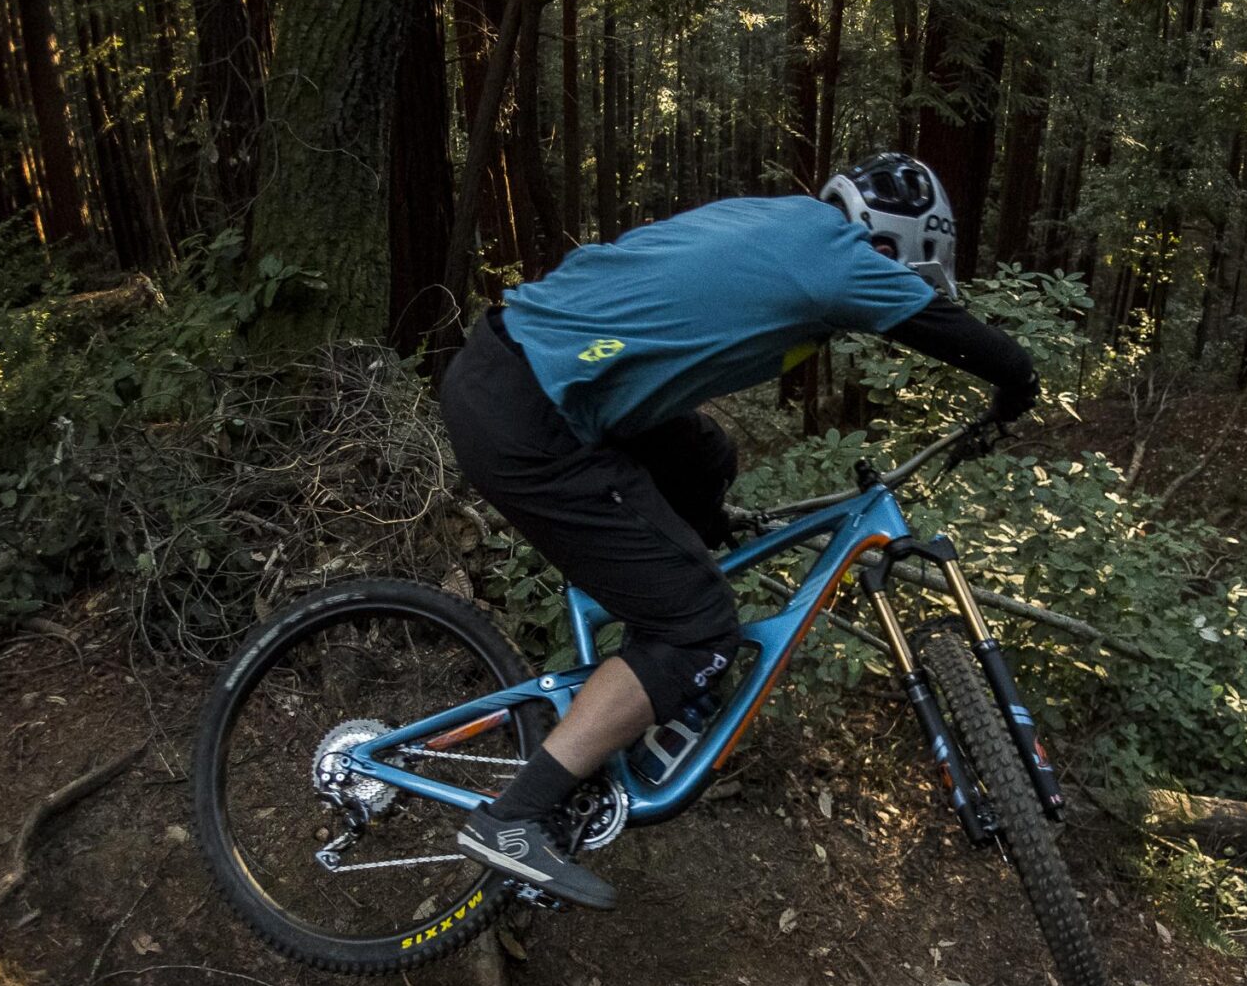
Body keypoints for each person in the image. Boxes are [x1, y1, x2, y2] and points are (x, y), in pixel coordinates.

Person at [438, 152, 1039, 909]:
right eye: (903, 266)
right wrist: (1018, 386)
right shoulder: (837, 257)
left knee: (707, 456)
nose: (896, 281)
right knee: (698, 629)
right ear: (888, 242)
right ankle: (514, 817)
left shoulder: (779, 221)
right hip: (533, 412)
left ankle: (649, 655)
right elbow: (957, 336)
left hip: (526, 372)